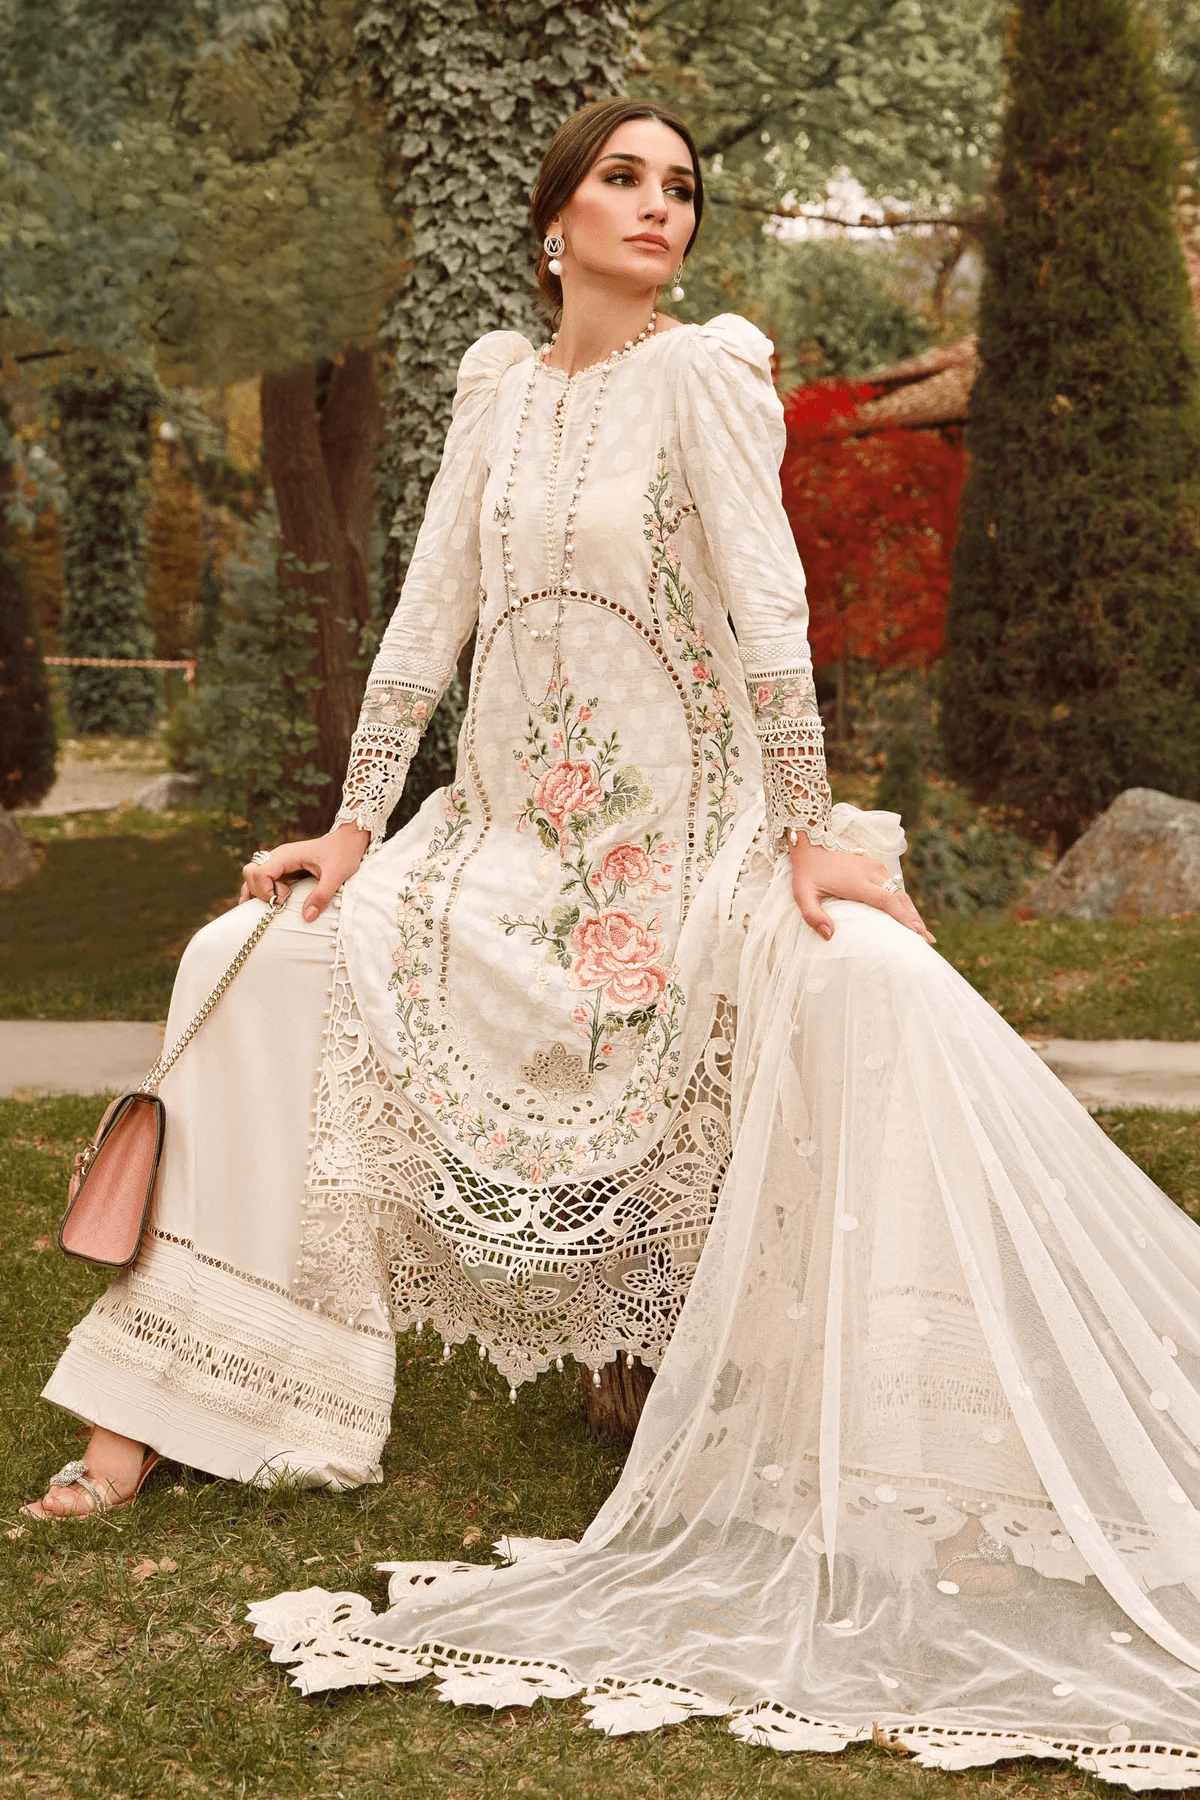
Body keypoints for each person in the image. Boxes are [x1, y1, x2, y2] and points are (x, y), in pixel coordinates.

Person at [32, 99, 1200, 1787]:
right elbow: (426, 620)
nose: (661, 208)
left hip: (693, 849)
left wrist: (811, 830)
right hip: (496, 857)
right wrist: (353, 830)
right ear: (556, 217)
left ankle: (935, 1449)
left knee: (873, 982)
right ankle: (189, 1408)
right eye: (624, 179)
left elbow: (774, 605)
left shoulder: (706, 378)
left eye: (682, 189)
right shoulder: (495, 391)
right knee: (247, 954)